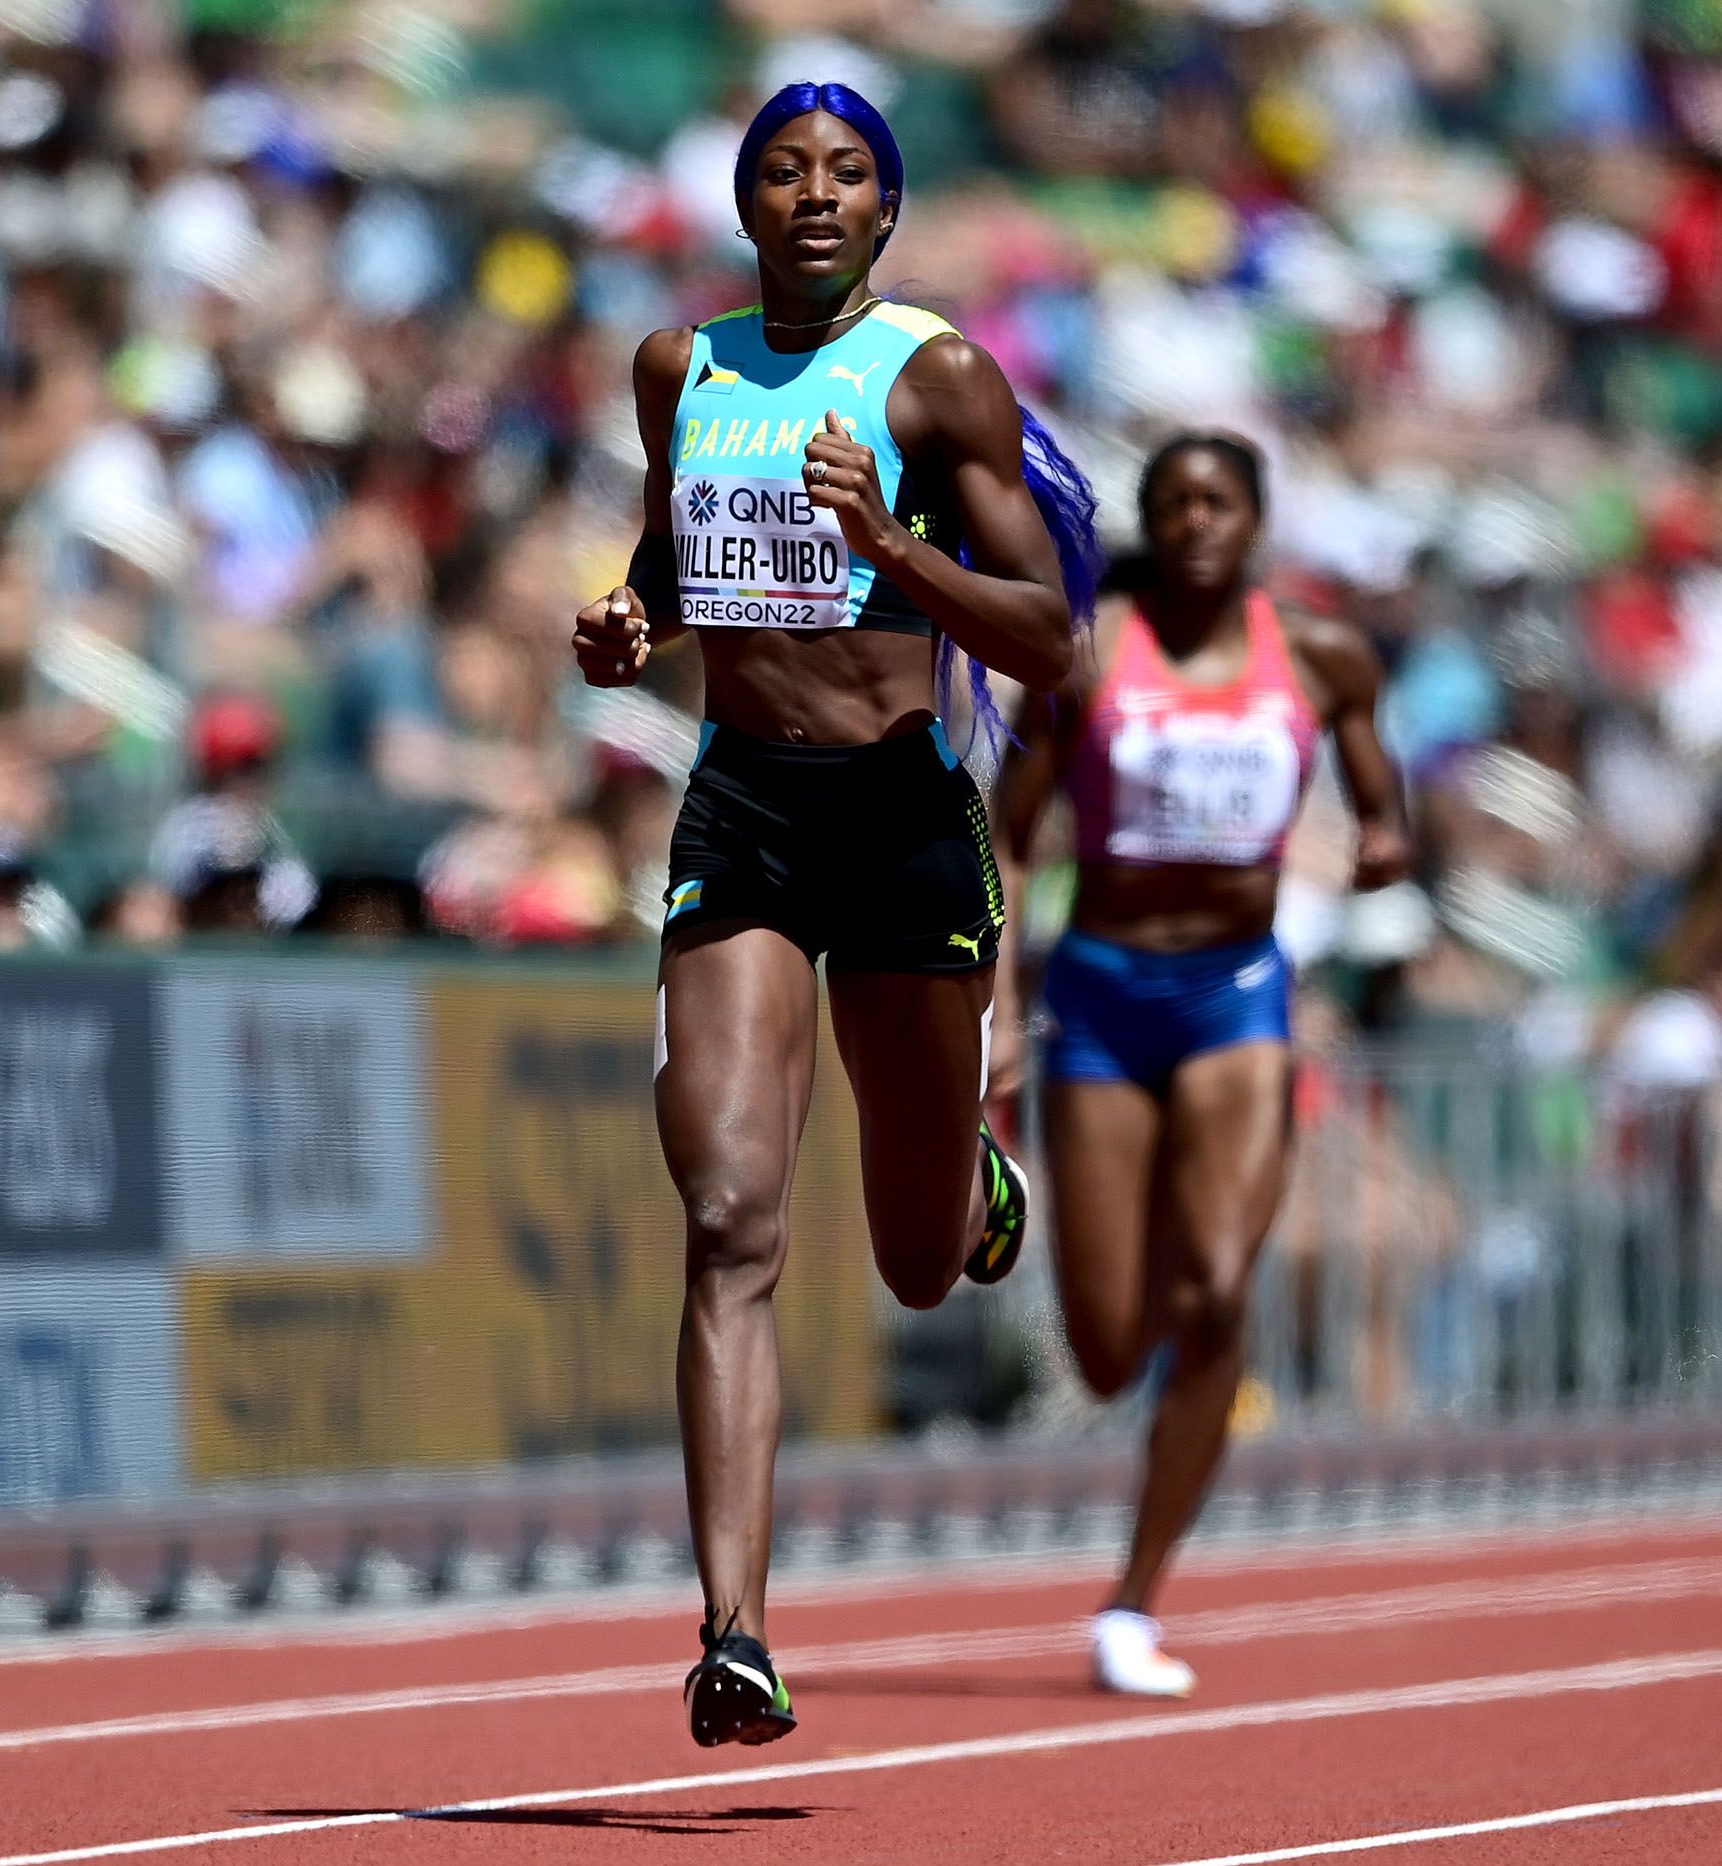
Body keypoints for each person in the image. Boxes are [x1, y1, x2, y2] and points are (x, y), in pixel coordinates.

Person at [568, 79, 1099, 1748]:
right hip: (742, 810)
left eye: (847, 172)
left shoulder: (939, 378)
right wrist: (628, 623)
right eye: (784, 171)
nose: (813, 194)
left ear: (888, 212)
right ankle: (733, 1629)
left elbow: (1046, 632)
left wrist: (891, 545)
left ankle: (975, 1183)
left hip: (900, 821)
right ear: (744, 206)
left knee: (916, 1260)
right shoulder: (683, 369)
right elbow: (670, 553)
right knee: (728, 1214)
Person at [993, 432, 1409, 1696]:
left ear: (1255, 522)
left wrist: (1382, 847)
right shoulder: (1085, 653)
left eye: (1216, 502)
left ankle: (1132, 1599)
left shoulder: (1323, 656)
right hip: (1106, 996)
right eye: (1171, 505)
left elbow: (1387, 805)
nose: (1192, 523)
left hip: (1235, 995)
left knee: (1224, 1291)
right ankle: (1161, 1254)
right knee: (1111, 1348)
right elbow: (1005, 837)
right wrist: (999, 1006)